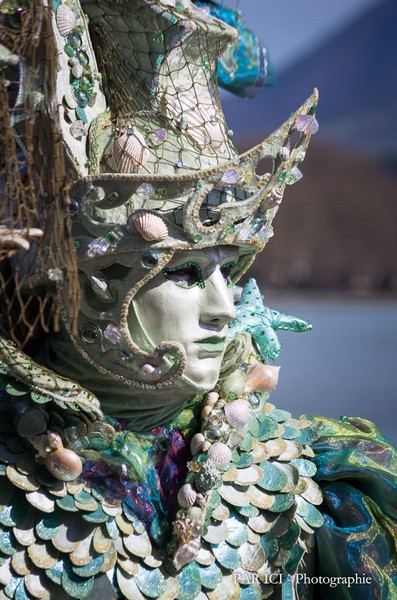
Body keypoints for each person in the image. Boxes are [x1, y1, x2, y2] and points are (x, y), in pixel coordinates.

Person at [0, 2, 396, 599]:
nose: (226, 308)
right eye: (186, 271)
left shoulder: (306, 486)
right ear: (87, 283)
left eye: (229, 272)